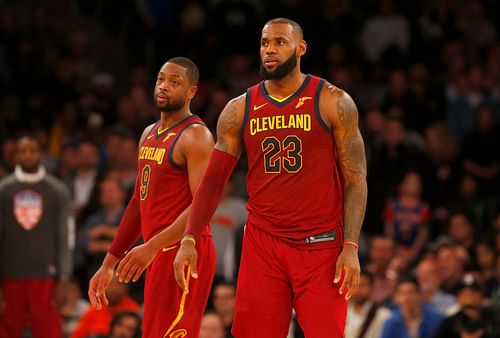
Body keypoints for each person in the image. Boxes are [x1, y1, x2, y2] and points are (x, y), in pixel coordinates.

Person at [174, 18, 367, 337]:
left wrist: (351, 245)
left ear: (300, 48)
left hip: (320, 244)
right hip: (264, 242)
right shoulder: (240, 108)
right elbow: (213, 182)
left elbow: (355, 179)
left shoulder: (332, 100)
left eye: (279, 42)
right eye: (265, 43)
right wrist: (190, 237)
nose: (270, 50)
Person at [87, 57, 216, 338]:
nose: (164, 86)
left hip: (185, 250)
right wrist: (109, 263)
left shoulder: (196, 136)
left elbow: (203, 206)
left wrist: (150, 247)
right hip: (157, 251)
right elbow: (137, 202)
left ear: (192, 91)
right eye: (160, 79)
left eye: (174, 82)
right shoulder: (148, 134)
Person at [0, 135, 74, 338]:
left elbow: (66, 235)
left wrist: (64, 277)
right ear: (15, 156)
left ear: (41, 154)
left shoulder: (57, 190)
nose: (28, 155)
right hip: (9, 275)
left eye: (33, 151)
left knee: (49, 331)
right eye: (23, 151)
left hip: (46, 275)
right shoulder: (4, 189)